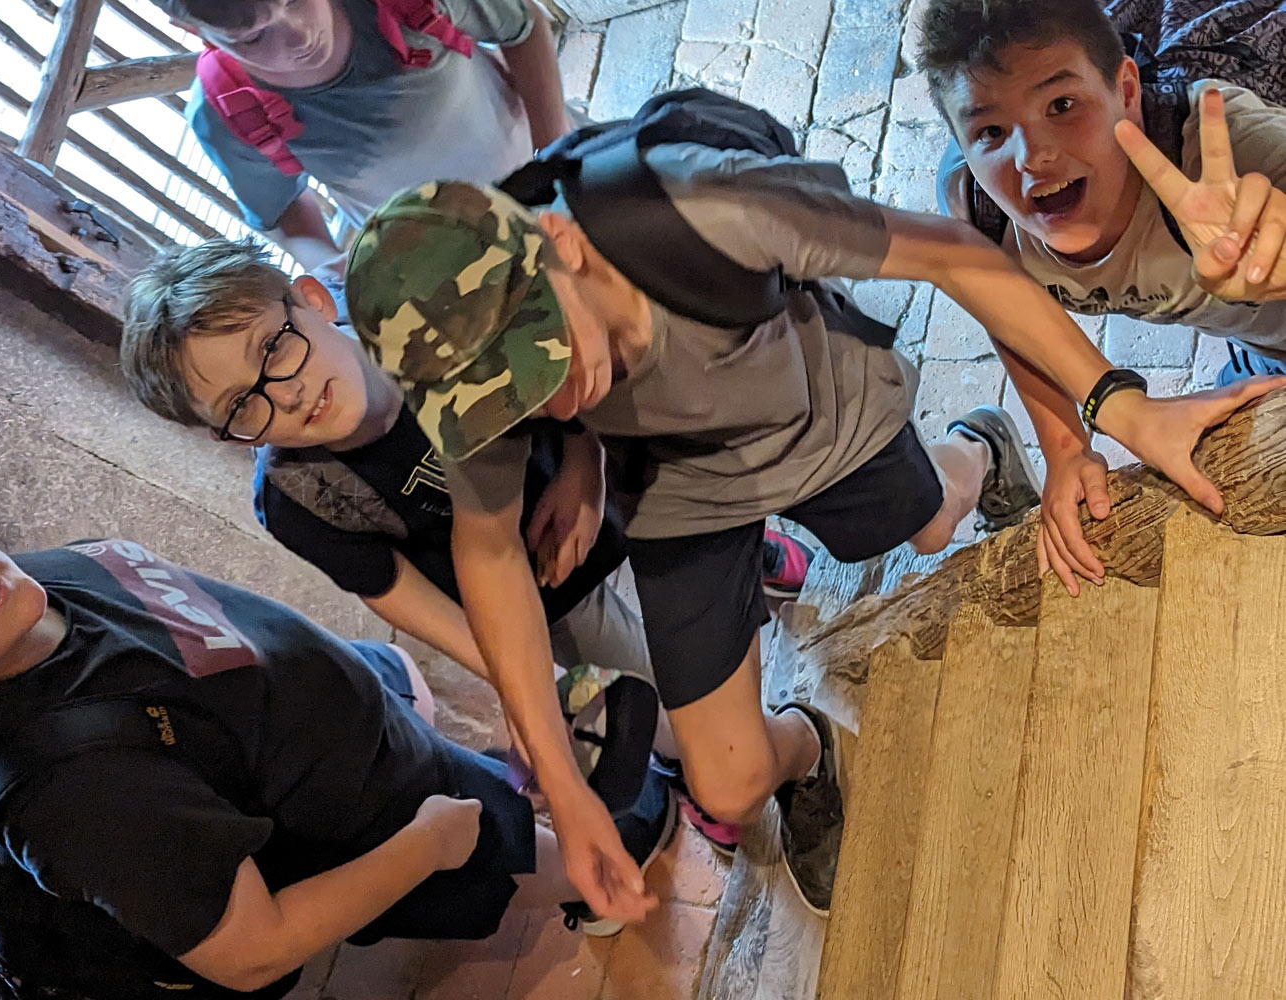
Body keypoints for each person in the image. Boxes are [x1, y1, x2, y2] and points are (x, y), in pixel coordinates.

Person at [341, 172, 1277, 927]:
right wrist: (565, 782)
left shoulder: (709, 212)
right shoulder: (472, 360)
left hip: (811, 414)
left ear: (562, 242)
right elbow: (489, 550)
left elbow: (957, 252)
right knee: (727, 779)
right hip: (675, 489)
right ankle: (809, 751)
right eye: (507, 401)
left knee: (929, 525)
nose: (540, 404)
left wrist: (1108, 406)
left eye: (539, 361)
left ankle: (976, 452)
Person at [0, 496, 677, 993]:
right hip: (381, 819)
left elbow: (195, 645)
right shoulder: (70, 791)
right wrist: (425, 846)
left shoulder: (21, 593)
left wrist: (369, 685)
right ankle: (591, 888)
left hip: (364, 746)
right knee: (519, 844)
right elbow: (249, 951)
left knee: (485, 802)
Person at [117, 237, 811, 854]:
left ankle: (748, 555)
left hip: (590, 476)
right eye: (242, 407)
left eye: (270, 348)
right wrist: (527, 683)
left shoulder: (419, 313)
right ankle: (691, 767)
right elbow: (397, 592)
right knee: (662, 713)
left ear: (310, 299)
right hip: (536, 594)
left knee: (679, 501)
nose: (286, 394)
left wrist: (583, 467)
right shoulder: (299, 497)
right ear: (226, 435)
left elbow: (561, 360)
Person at [919, 0, 1286, 592]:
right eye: (989, 131)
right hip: (1256, 346)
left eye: (1061, 105)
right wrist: (1065, 448)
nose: (1032, 156)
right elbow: (1009, 309)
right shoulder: (979, 206)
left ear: (1127, 90)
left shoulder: (1231, 152)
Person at [157, 0, 567, 272]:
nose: (301, 35)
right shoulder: (228, 111)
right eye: (254, 37)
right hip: (445, 255)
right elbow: (280, 211)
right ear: (192, 30)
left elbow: (522, 26)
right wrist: (336, 270)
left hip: (547, 166)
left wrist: (555, 153)